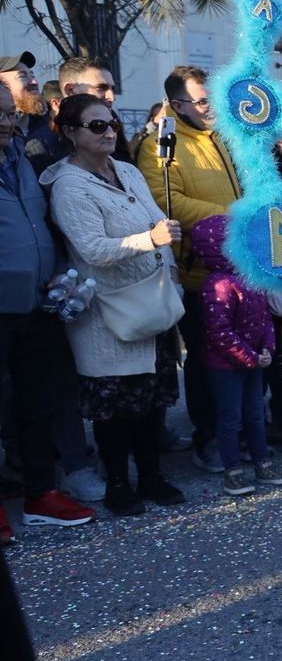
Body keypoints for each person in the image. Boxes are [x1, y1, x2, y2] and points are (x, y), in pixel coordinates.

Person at [42, 95, 186, 515]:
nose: (109, 132)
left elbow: (157, 218)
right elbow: (91, 248)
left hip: (151, 300)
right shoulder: (69, 186)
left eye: (112, 124)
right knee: (116, 407)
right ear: (70, 131)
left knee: (151, 400)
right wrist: (150, 241)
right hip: (109, 311)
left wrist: (171, 267)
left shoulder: (125, 169)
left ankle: (153, 476)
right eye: (97, 126)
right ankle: (119, 484)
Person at [0, 84, 97, 541]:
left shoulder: (21, 154)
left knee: (37, 404)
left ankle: (40, 494)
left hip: (38, 304)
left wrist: (59, 272)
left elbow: (41, 224)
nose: (5, 122)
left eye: (6, 113)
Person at [136, 65, 243, 470]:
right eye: (202, 100)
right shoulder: (158, 144)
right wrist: (234, 214)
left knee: (243, 352)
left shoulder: (222, 136)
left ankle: (238, 430)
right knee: (205, 359)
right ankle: (209, 436)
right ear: (176, 103)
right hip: (199, 272)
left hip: (240, 266)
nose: (211, 106)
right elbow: (165, 203)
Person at [188, 215, 282, 495]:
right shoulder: (218, 286)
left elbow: (266, 319)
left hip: (254, 361)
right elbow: (219, 332)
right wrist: (251, 356)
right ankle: (232, 470)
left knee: (256, 413)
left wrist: (267, 349)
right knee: (230, 417)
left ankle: (262, 462)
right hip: (225, 367)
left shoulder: (252, 277)